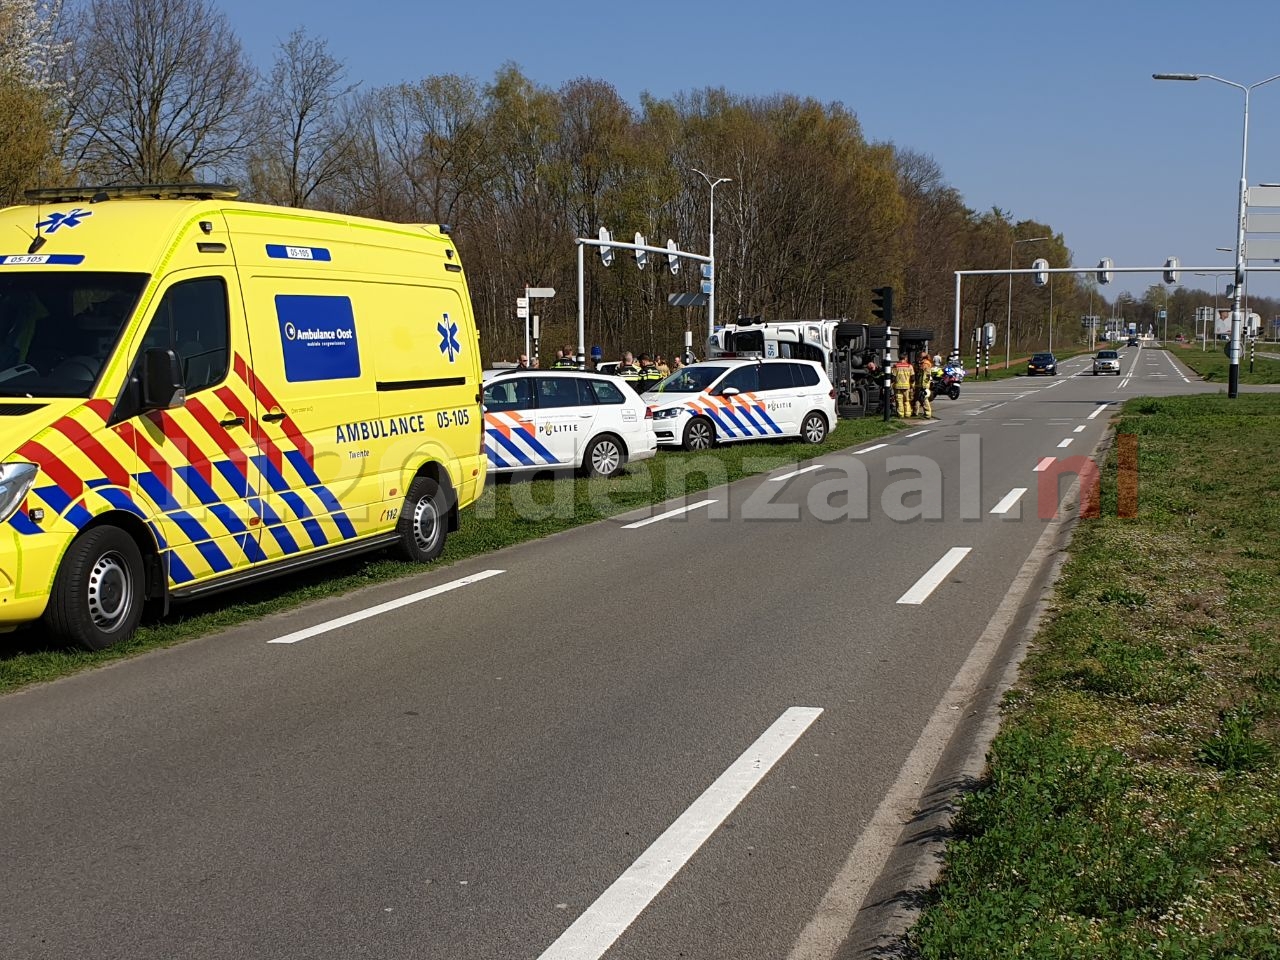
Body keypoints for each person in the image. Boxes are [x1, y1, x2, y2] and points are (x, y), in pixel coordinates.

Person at [913, 354, 934, 419]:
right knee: (916, 398)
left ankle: (927, 414)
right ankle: (915, 412)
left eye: (919, 357)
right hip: (919, 384)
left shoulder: (926, 364)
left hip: (923, 385)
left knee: (923, 399)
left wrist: (924, 386)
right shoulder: (922, 363)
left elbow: (926, 376)